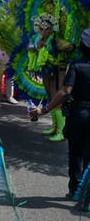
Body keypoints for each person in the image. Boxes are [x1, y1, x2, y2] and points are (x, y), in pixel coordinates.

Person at [30, 29, 90, 199]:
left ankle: (76, 190)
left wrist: (45, 109)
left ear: (82, 46)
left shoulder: (77, 66)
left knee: (76, 153)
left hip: (79, 115)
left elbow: (65, 91)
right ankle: (87, 194)